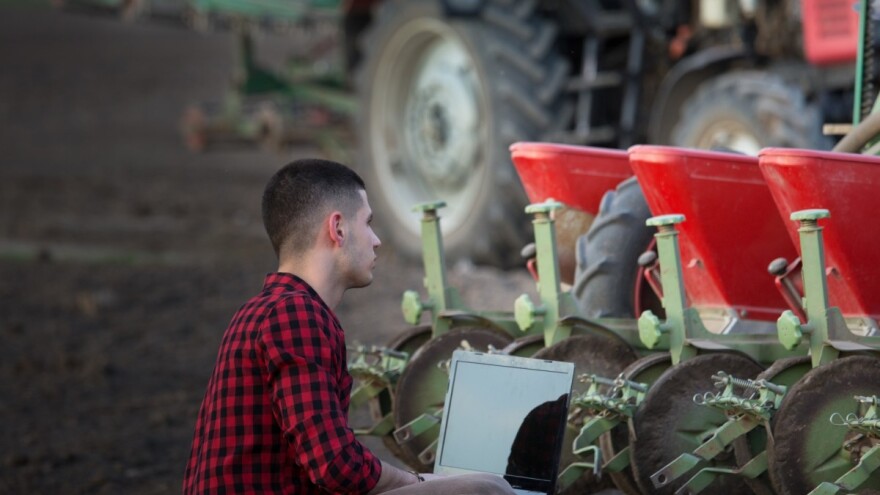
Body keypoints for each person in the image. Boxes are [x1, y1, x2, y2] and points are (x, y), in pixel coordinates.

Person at [183, 158, 516, 495]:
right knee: (487, 490)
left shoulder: (263, 311)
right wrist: (415, 481)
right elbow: (334, 465)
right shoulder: (295, 314)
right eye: (368, 223)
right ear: (338, 229)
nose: (376, 240)